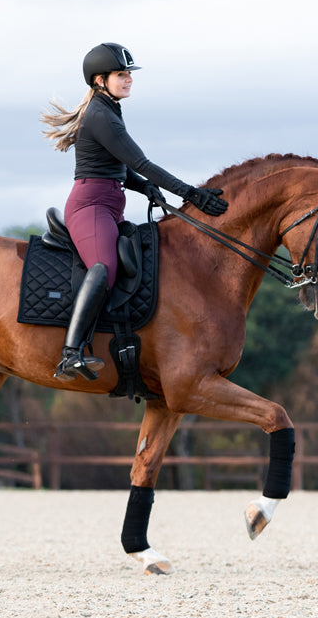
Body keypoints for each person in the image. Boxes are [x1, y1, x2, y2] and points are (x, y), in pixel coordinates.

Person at [41, 42, 227, 382]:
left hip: (110, 204)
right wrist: (191, 195)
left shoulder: (109, 109)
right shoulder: (101, 115)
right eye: (121, 74)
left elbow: (119, 168)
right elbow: (140, 162)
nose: (128, 80)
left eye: (129, 74)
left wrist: (144, 187)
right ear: (100, 80)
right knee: (105, 267)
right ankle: (70, 353)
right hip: (91, 206)